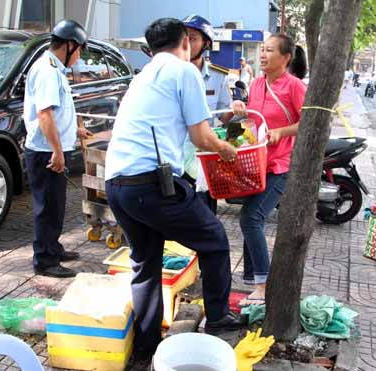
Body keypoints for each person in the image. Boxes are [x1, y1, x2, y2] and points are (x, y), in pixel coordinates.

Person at [104, 18, 245, 359]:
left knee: (145, 262)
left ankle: (145, 347)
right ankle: (217, 319)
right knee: (214, 240)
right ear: (185, 42)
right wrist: (226, 150)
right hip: (151, 185)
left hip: (117, 184)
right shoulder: (185, 72)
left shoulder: (142, 76)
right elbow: (201, 136)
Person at [231, 34, 307, 306]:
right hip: (257, 164)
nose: (263, 55)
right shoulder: (257, 83)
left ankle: (262, 287)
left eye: (270, 50)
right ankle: (254, 282)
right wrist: (239, 111)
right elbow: (253, 121)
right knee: (250, 218)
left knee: (251, 218)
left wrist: (281, 133)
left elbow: (310, 122)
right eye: (262, 50)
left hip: (281, 165)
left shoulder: (295, 86)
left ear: (286, 57)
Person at [23, 19, 93, 278]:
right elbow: (44, 115)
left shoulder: (53, 69)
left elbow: (58, 111)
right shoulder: (48, 71)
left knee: (56, 205)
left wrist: (75, 130)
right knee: (47, 207)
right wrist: (57, 151)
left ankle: (53, 247)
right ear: (70, 45)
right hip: (45, 152)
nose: (80, 56)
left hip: (52, 147)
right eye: (80, 50)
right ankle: (44, 260)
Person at [181, 14, 233, 213]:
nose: (186, 43)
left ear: (206, 44)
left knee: (206, 215)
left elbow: (224, 116)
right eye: (183, 37)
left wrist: (236, 107)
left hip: (204, 160)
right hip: (174, 159)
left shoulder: (218, 76)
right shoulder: (171, 73)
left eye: (193, 38)